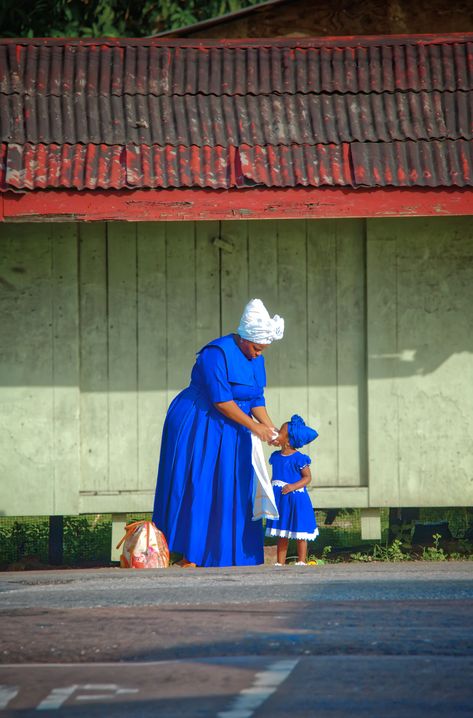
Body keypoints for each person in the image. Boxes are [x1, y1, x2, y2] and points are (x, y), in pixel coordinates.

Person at [152, 299, 284, 568]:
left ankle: (229, 553)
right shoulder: (217, 353)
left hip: (234, 427)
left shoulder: (256, 358)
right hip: (202, 423)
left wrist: (268, 428)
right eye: (257, 348)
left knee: (233, 485)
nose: (259, 354)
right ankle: (192, 553)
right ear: (245, 338)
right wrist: (254, 427)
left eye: (263, 350)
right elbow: (221, 400)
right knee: (201, 483)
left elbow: (255, 397)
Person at [265, 415, 319, 566]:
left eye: (280, 432)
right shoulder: (275, 456)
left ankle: (301, 561)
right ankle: (280, 563)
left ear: (288, 441)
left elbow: (307, 477)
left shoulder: (299, 458)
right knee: (282, 532)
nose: (277, 433)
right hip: (281, 500)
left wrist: (293, 486)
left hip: (296, 499)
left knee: (299, 530)